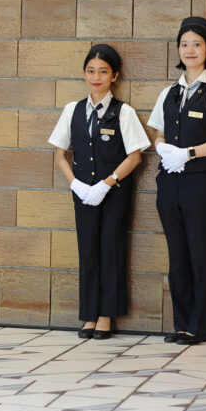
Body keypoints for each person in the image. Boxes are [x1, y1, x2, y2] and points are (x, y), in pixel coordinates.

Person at [49, 44, 149, 340]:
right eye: (91, 71)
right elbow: (59, 155)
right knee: (88, 250)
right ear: (84, 73)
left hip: (114, 193)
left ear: (114, 76)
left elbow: (135, 157)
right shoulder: (72, 110)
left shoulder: (124, 112)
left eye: (103, 72)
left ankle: (106, 315)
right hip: (83, 193)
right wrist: (75, 184)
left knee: (110, 248)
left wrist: (108, 182)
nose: (96, 77)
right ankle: (89, 315)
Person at [147, 16, 206, 345]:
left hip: (201, 183)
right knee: (178, 257)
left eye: (197, 44)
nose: (190, 50)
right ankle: (182, 324)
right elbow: (157, 132)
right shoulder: (169, 93)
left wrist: (190, 153)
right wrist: (162, 148)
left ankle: (199, 326)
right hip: (170, 182)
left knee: (200, 253)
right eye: (184, 44)